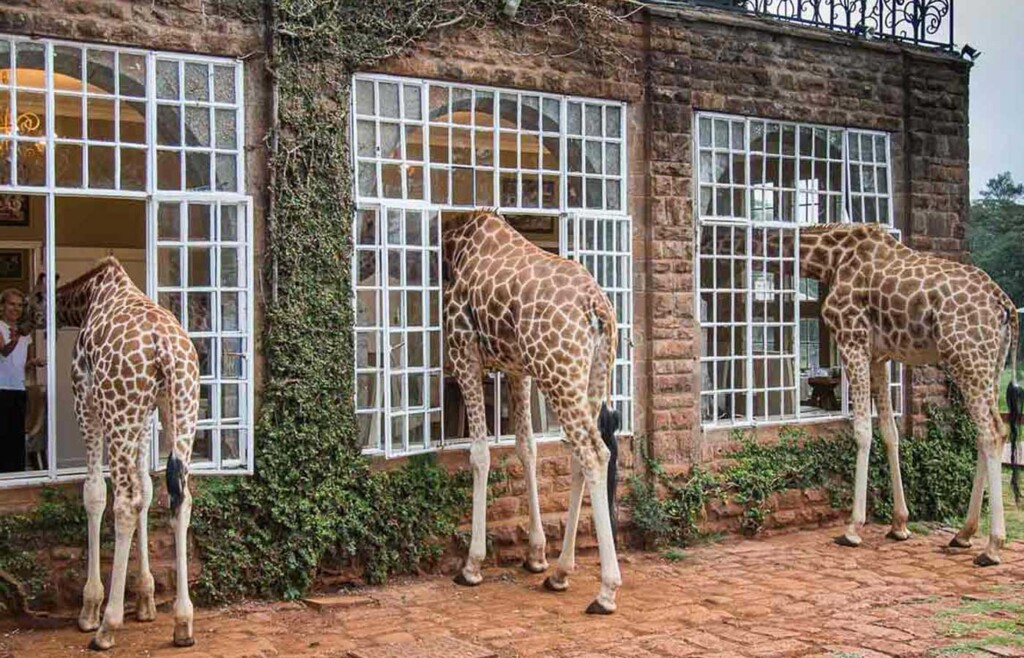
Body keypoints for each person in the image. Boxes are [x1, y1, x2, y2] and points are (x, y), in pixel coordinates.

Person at [0, 288, 44, 473]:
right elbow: (4, 351)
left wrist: (34, 362)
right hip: (1, 388)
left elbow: (24, 364)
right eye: (12, 304)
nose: (16, 309)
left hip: (18, 389)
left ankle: (16, 475)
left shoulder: (25, 335)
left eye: (19, 305)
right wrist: (16, 336)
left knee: (17, 436)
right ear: (2, 306)